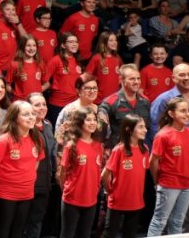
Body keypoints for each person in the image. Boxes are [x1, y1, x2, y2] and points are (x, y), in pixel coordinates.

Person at [0, 100, 44, 238]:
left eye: (32, 113)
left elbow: (36, 162)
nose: (31, 117)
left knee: (18, 233)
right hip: (4, 194)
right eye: (26, 114)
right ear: (15, 118)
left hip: (26, 193)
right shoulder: (4, 140)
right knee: (2, 232)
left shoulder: (37, 138)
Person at [147, 97, 189, 236]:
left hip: (188, 184)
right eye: (182, 111)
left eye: (188, 110)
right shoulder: (163, 135)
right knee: (159, 221)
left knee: (178, 221)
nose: (187, 114)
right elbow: (153, 161)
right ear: (171, 114)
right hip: (169, 184)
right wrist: (157, 181)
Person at [57, 106, 104, 238]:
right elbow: (62, 173)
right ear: (79, 122)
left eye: (94, 119)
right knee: (67, 233)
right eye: (88, 120)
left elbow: (98, 170)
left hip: (91, 199)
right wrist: (67, 190)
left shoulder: (98, 145)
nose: (92, 123)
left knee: (85, 234)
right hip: (72, 199)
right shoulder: (71, 145)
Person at [101, 114, 149, 238]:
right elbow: (105, 174)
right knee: (109, 233)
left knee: (130, 233)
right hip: (118, 201)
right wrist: (108, 190)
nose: (145, 130)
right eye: (141, 127)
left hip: (136, 201)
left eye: (145, 127)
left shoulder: (144, 149)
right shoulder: (119, 150)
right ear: (129, 129)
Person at [24, 93, 57, 238]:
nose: (42, 108)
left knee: (37, 221)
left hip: (45, 183)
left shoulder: (48, 125)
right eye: (37, 105)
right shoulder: (25, 129)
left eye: (44, 104)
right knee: (23, 223)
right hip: (28, 183)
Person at [98, 64, 151, 147]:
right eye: (132, 79)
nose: (136, 82)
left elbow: (148, 128)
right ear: (121, 80)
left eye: (138, 78)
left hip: (139, 150)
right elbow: (101, 130)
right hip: (117, 151)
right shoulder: (110, 102)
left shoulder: (145, 101)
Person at [150, 63, 189, 137]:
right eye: (182, 75)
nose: (187, 78)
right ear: (173, 78)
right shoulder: (163, 99)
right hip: (173, 147)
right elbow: (155, 128)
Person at [44, 33, 82, 125]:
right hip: (58, 104)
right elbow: (44, 80)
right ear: (63, 45)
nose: (74, 44)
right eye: (70, 42)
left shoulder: (78, 60)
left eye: (76, 42)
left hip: (75, 104)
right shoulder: (55, 60)